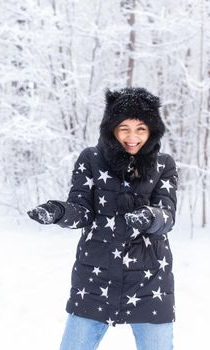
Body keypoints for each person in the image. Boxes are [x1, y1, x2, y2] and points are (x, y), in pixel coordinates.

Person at [28, 87, 177, 350]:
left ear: (152, 130)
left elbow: (167, 214)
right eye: (124, 128)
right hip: (96, 277)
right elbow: (82, 210)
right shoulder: (92, 159)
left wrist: (148, 216)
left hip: (150, 280)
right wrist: (58, 212)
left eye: (141, 129)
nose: (132, 137)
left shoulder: (164, 165)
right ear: (112, 128)